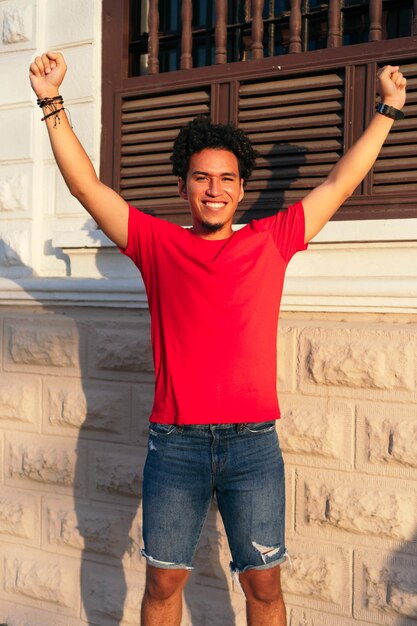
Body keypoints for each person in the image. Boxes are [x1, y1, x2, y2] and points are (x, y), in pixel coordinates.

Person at [29, 52, 406, 626]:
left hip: (253, 447)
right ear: (184, 187)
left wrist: (387, 110)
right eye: (202, 177)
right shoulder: (155, 244)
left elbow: (340, 180)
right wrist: (52, 100)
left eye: (226, 178)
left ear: (240, 188)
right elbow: (85, 186)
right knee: (161, 585)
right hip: (175, 446)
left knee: (265, 589)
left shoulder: (271, 240)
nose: (214, 189)